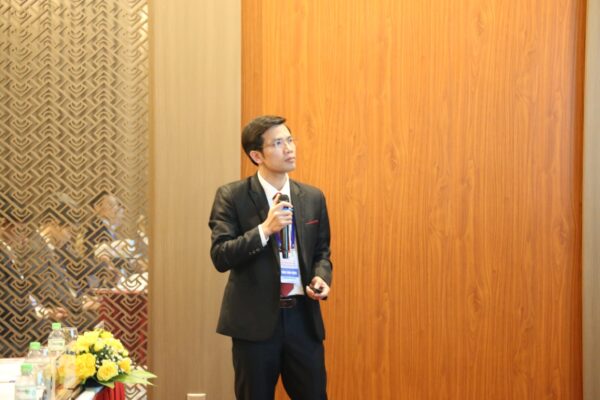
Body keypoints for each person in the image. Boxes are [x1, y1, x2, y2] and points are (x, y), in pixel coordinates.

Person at [209, 115, 333, 400]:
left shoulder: (313, 197)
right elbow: (221, 255)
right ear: (257, 156)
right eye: (278, 143)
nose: (289, 148)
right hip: (254, 323)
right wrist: (264, 230)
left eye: (290, 140)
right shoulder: (232, 196)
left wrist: (321, 277)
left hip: (303, 319)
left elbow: (322, 253)